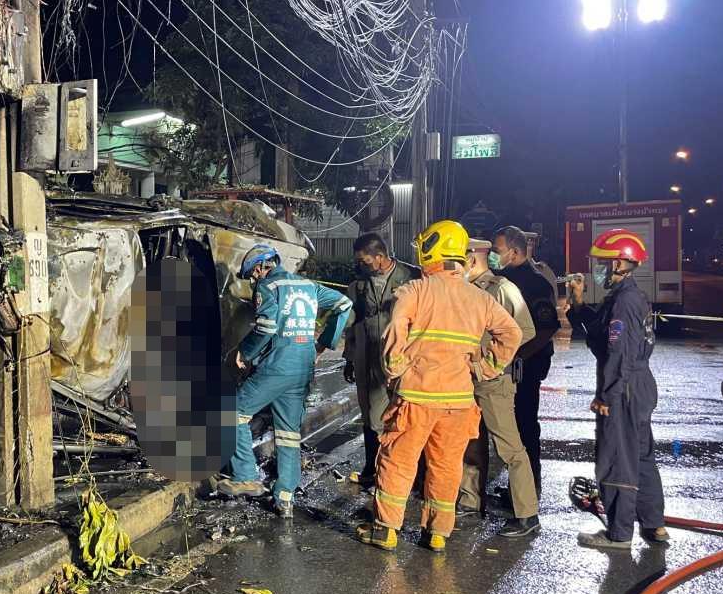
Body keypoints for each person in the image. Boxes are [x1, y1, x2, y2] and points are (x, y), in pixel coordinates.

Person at [356, 220, 523, 553]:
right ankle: (437, 533)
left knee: (397, 462)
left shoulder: (414, 291)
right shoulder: (480, 297)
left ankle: (386, 530)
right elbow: (512, 333)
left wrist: (395, 373)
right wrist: (485, 368)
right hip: (458, 402)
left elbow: (394, 337)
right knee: (446, 467)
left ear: (432, 249)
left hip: (416, 398)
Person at [219, 244, 352, 517]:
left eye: (252, 274)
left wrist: (244, 352)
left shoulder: (268, 286)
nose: (253, 280)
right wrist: (323, 343)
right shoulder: (308, 285)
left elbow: (267, 327)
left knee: (233, 412)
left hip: (277, 366)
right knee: (288, 433)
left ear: (260, 267)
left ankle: (245, 476)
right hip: (302, 367)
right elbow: (344, 304)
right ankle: (284, 498)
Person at [567, 229, 668, 549]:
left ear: (619, 264)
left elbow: (619, 352)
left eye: (602, 263)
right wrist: (578, 304)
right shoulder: (628, 297)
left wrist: (608, 395)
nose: (597, 269)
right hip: (637, 385)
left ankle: (620, 533)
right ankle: (654, 524)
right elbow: (600, 337)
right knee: (641, 456)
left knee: (617, 459)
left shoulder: (624, 302)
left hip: (625, 388)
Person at [457, 239, 542, 537]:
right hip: (466, 379)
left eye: (459, 260)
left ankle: (527, 514)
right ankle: (470, 501)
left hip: (494, 381)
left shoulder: (502, 288)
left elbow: (526, 331)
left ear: (471, 259)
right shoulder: (461, 290)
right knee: (469, 443)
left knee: (509, 448)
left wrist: (490, 359)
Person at [341, 233, 421, 487]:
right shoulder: (359, 286)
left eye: (364, 261)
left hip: (404, 358)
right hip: (369, 357)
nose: (360, 265)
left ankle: (413, 474)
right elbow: (351, 325)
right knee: (372, 416)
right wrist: (349, 358)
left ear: (380, 257)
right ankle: (373, 469)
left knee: (408, 415)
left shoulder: (413, 277)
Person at [492, 226, 559, 496]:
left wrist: (520, 355)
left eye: (497, 250)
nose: (494, 255)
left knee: (525, 426)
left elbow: (547, 328)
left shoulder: (535, 282)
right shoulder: (503, 278)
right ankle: (517, 488)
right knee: (510, 429)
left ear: (514, 251)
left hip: (526, 366)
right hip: (507, 363)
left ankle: (530, 489)